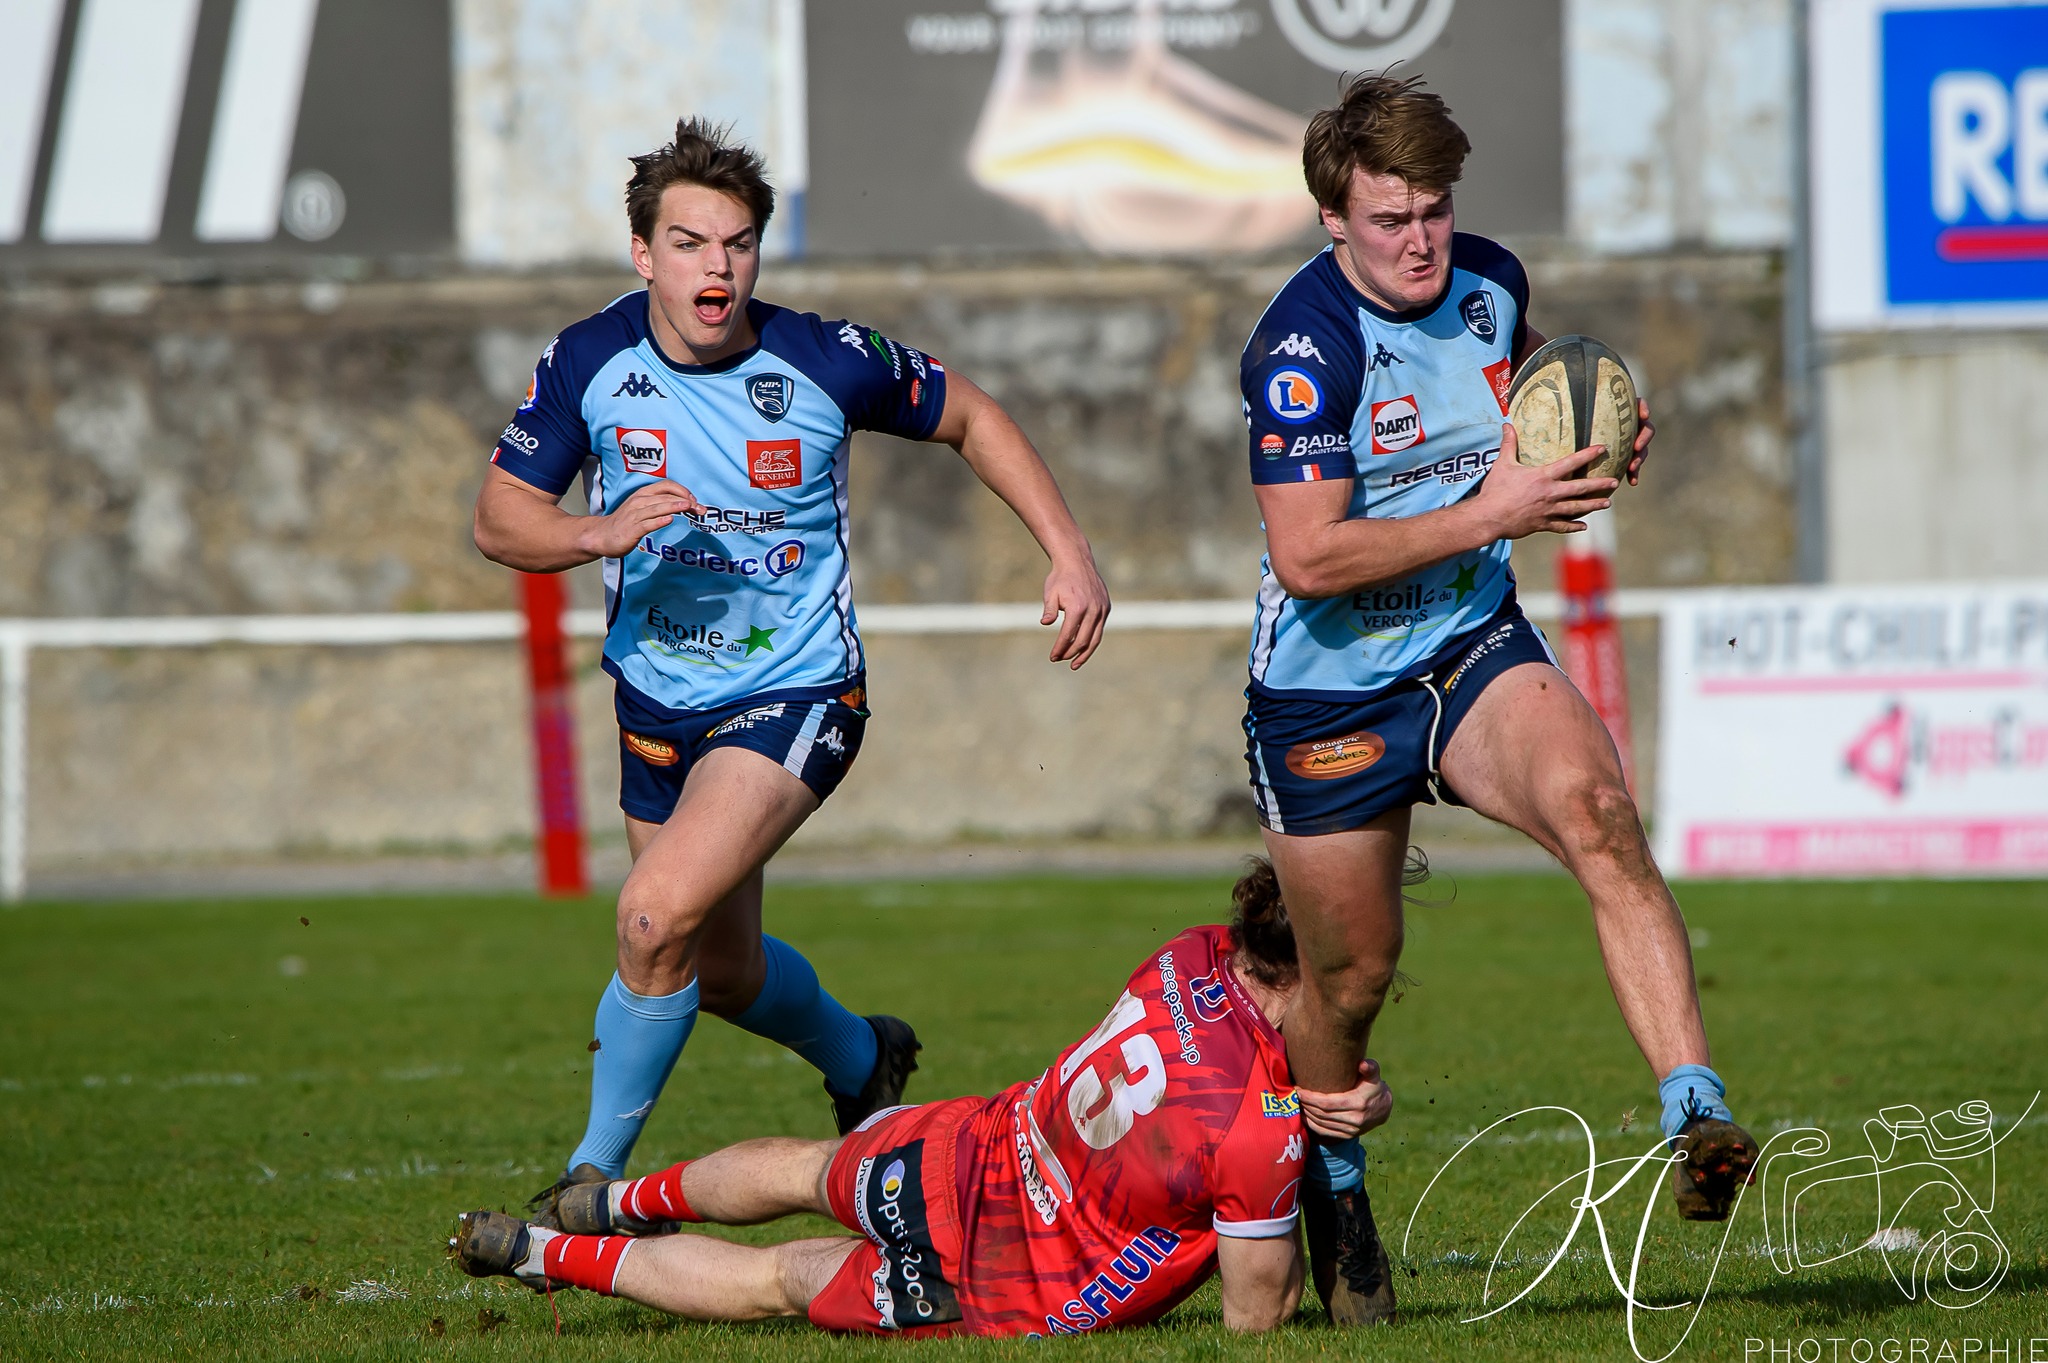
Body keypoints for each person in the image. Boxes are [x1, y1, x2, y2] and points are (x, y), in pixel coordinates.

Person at [472, 119, 1111, 1216]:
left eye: (736, 243)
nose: (715, 266)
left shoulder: (823, 358)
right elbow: (498, 520)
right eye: (687, 243)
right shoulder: (588, 360)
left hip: (796, 694)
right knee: (715, 969)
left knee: (648, 915)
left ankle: (586, 1180)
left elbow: (970, 414)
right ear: (642, 255)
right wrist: (594, 534)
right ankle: (863, 1057)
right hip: (654, 700)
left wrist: (1067, 550)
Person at [1235, 74, 1757, 1325]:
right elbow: (1310, 557)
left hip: (1468, 645)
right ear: (1330, 218)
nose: (1419, 242)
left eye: (1433, 210)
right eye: (1388, 220)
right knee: (1350, 982)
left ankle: (1695, 1108)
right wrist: (1497, 511)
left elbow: (1534, 390)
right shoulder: (1298, 351)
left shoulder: (1488, 281)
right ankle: (1340, 1183)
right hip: (1325, 693)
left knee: (1599, 810)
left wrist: (1609, 423)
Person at [449, 860, 1390, 1338]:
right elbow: (1255, 1316)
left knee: (806, 1169)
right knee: (779, 1281)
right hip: (1001, 1276)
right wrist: (1319, 1132)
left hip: (963, 1149)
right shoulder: (1257, 1130)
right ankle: (542, 1252)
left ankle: (608, 1200)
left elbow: (1213, 1061)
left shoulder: (1190, 952)